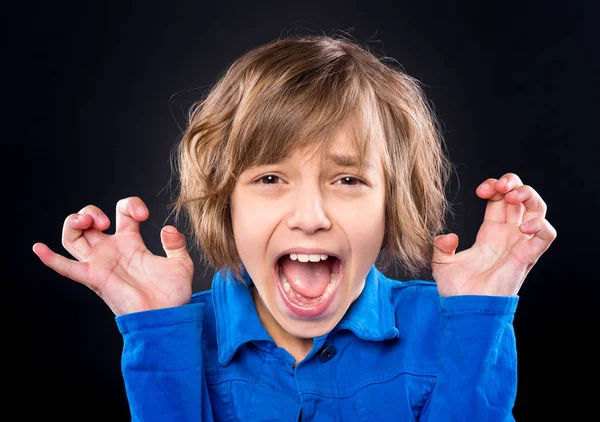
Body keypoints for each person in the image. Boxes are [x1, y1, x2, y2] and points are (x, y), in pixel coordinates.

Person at [32, 33, 556, 421]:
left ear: (391, 204)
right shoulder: (174, 332)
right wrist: (157, 334)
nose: (311, 217)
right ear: (225, 202)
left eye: (348, 179)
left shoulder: (453, 328)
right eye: (270, 177)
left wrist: (480, 315)